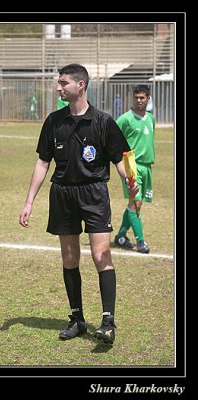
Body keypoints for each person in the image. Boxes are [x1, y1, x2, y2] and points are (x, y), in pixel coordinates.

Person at [19, 64, 138, 344]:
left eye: (63, 83)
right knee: (70, 258)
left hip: (94, 192)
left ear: (81, 85)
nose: (58, 88)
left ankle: (108, 322)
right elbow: (42, 162)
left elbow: (120, 157)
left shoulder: (103, 121)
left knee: (101, 255)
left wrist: (130, 182)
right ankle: (77, 319)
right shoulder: (53, 120)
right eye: (58, 83)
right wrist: (29, 201)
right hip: (62, 193)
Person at [114, 85, 155, 254]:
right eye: (136, 97)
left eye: (142, 97)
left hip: (147, 166)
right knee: (135, 203)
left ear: (148, 99)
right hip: (131, 165)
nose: (139, 100)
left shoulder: (151, 118)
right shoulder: (125, 119)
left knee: (136, 204)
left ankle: (121, 236)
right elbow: (112, 136)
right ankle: (141, 242)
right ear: (133, 98)